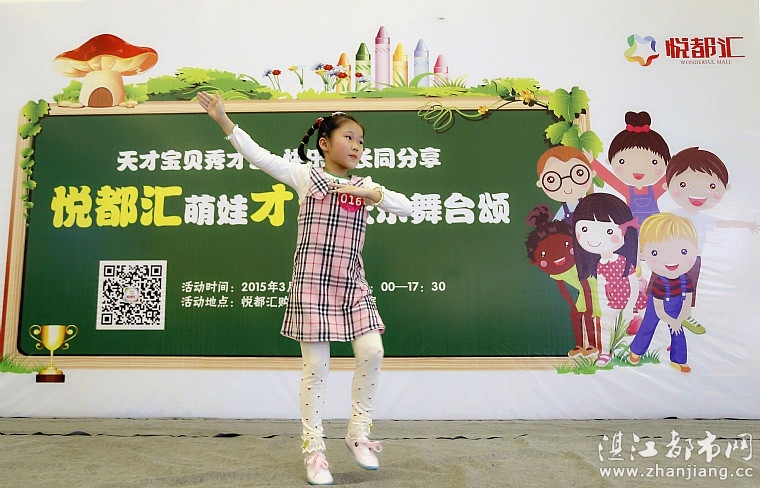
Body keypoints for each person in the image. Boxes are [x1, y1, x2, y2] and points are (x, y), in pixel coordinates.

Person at [198, 91, 413, 485]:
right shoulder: (307, 177)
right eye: (349, 137)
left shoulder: (365, 185)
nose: (357, 146)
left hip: (352, 285)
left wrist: (371, 194)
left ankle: (358, 434)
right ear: (325, 143)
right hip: (311, 286)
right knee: (316, 368)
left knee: (373, 351)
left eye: (361, 141)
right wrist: (223, 120)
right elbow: (259, 157)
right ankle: (314, 451)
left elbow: (407, 207)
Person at [573, 192, 647, 366]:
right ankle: (605, 353)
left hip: (629, 300)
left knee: (627, 325)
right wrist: (604, 306)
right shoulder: (600, 264)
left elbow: (633, 285)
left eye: (608, 231)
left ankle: (631, 350)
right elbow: (601, 285)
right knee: (605, 325)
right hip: (612, 301)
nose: (594, 239)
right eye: (585, 230)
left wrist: (629, 307)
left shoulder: (622, 261)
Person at [524, 204, 600, 357]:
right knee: (575, 314)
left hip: (596, 288)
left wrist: (589, 307)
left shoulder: (578, 262)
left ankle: (593, 345)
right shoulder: (556, 271)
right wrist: (573, 306)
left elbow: (586, 283)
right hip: (583, 291)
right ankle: (579, 345)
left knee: (590, 314)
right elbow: (562, 288)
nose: (557, 257)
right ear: (534, 261)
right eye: (544, 254)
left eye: (566, 245)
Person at [629, 213, 700, 373]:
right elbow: (659, 309)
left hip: (677, 305)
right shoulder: (660, 282)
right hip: (657, 305)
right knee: (648, 325)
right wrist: (671, 320)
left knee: (678, 329)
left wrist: (680, 318)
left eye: (683, 251)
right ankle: (636, 351)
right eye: (655, 253)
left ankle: (679, 360)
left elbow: (687, 302)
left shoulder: (686, 279)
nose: (670, 258)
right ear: (643, 254)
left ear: (695, 251)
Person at [592, 111, 671, 224]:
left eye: (654, 162)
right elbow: (609, 178)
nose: (638, 168)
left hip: (654, 230)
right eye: (622, 161)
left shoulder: (655, 190)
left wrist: (679, 161)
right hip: (632, 230)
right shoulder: (628, 191)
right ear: (610, 161)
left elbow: (672, 175)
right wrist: (592, 162)